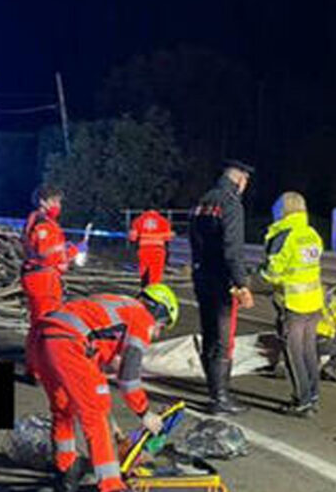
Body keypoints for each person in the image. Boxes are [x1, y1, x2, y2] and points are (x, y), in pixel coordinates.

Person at [25, 284, 180, 492]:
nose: (156, 333)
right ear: (159, 313)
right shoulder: (141, 317)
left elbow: (89, 382)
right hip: (67, 343)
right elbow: (128, 377)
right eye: (162, 328)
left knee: (64, 411)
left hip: (42, 340)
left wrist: (115, 428)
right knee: (94, 421)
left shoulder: (112, 310)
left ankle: (65, 484)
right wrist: (145, 413)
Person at [189, 160, 256, 415]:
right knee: (223, 339)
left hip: (201, 275)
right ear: (240, 180)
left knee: (209, 335)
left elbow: (193, 239)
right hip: (221, 280)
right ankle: (221, 398)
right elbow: (233, 249)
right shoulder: (231, 203)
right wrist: (241, 283)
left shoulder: (203, 201)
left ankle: (214, 391)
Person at [259, 191, 324, 416]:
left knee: (293, 354)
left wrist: (260, 272)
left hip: (293, 303)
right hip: (314, 302)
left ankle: (302, 401)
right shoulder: (311, 233)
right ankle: (313, 395)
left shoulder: (281, 236)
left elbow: (272, 273)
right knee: (309, 351)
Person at [20, 184, 86, 324]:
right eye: (54, 201)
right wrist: (75, 251)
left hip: (40, 276)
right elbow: (46, 254)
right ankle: (43, 346)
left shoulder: (40, 221)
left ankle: (35, 345)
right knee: (47, 321)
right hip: (43, 280)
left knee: (39, 320)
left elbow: (51, 248)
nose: (58, 205)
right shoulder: (43, 225)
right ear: (42, 202)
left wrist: (68, 247)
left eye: (59, 201)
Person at [128, 208, 174, 286]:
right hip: (158, 250)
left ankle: (144, 289)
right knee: (156, 274)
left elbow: (133, 238)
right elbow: (168, 238)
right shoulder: (164, 221)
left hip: (143, 250)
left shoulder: (138, 220)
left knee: (144, 272)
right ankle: (153, 291)